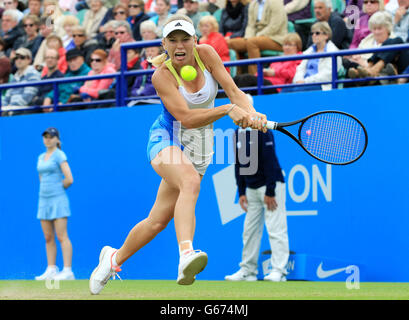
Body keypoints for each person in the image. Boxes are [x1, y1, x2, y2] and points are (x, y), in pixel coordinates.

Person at [89, 14, 268, 295]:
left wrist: (251, 112)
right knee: (190, 182)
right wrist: (226, 110)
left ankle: (113, 258)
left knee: (158, 221)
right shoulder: (161, 75)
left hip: (200, 145)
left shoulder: (207, 54)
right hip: (166, 138)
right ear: (164, 44)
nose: (180, 45)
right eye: (173, 40)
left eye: (185, 38)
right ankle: (186, 254)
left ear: (195, 41)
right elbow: (184, 117)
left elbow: (234, 91)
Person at [225, 125, 289, 282]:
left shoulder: (262, 131)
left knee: (276, 229)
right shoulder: (236, 133)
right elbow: (238, 164)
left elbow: (270, 160)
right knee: (249, 231)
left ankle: (279, 271)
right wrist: (241, 191)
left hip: (270, 186)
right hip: (251, 189)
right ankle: (248, 271)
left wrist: (270, 190)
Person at [35, 127, 75, 281]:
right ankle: (51, 269)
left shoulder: (59, 155)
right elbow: (41, 178)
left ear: (57, 139)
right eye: (45, 136)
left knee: (61, 236)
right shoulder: (40, 157)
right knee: (48, 237)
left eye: (51, 137)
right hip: (43, 200)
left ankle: (67, 271)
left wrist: (58, 188)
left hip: (58, 199)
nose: (47, 139)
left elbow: (69, 178)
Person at [227, 0, 288, 75]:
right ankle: (237, 77)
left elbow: (275, 26)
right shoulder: (253, 4)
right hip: (256, 37)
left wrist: (256, 36)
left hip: (276, 38)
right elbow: (250, 26)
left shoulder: (275, 2)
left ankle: (254, 77)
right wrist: (248, 37)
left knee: (252, 42)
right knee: (230, 43)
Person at [348, 11, 409, 82]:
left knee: (396, 41)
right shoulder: (365, 41)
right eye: (374, 28)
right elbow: (355, 57)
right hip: (366, 73)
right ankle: (368, 72)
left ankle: (371, 70)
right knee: (348, 65)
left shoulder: (395, 40)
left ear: (387, 28)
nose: (377, 32)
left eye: (379, 28)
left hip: (384, 77)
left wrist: (364, 63)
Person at [233, 32, 303, 94]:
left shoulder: (299, 58)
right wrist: (260, 73)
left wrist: (274, 72)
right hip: (266, 81)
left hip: (277, 86)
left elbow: (292, 73)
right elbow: (268, 71)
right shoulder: (279, 58)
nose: (287, 47)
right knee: (237, 78)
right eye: (285, 45)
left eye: (290, 45)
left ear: (297, 47)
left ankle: (240, 105)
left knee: (246, 79)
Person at [287, 21, 342, 92]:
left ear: (326, 35)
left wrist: (305, 81)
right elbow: (300, 69)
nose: (314, 35)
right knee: (285, 90)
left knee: (297, 91)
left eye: (317, 33)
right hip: (303, 84)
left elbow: (327, 76)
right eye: (312, 33)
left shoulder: (333, 52)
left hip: (321, 86)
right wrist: (298, 80)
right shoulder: (309, 51)